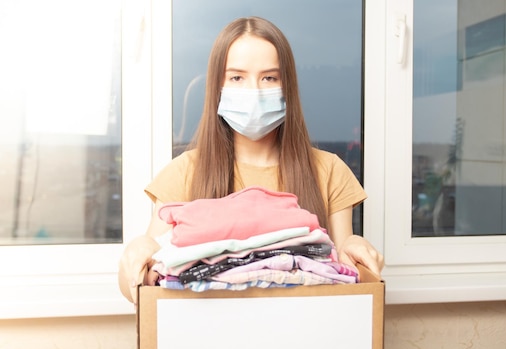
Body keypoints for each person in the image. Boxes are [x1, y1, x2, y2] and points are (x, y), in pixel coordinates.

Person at [118, 16, 384, 303]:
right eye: (237, 77)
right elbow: (144, 284)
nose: (254, 91)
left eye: (269, 77)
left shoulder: (329, 170)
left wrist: (353, 246)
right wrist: (137, 255)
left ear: (288, 87)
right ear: (217, 87)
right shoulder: (184, 172)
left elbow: (343, 266)